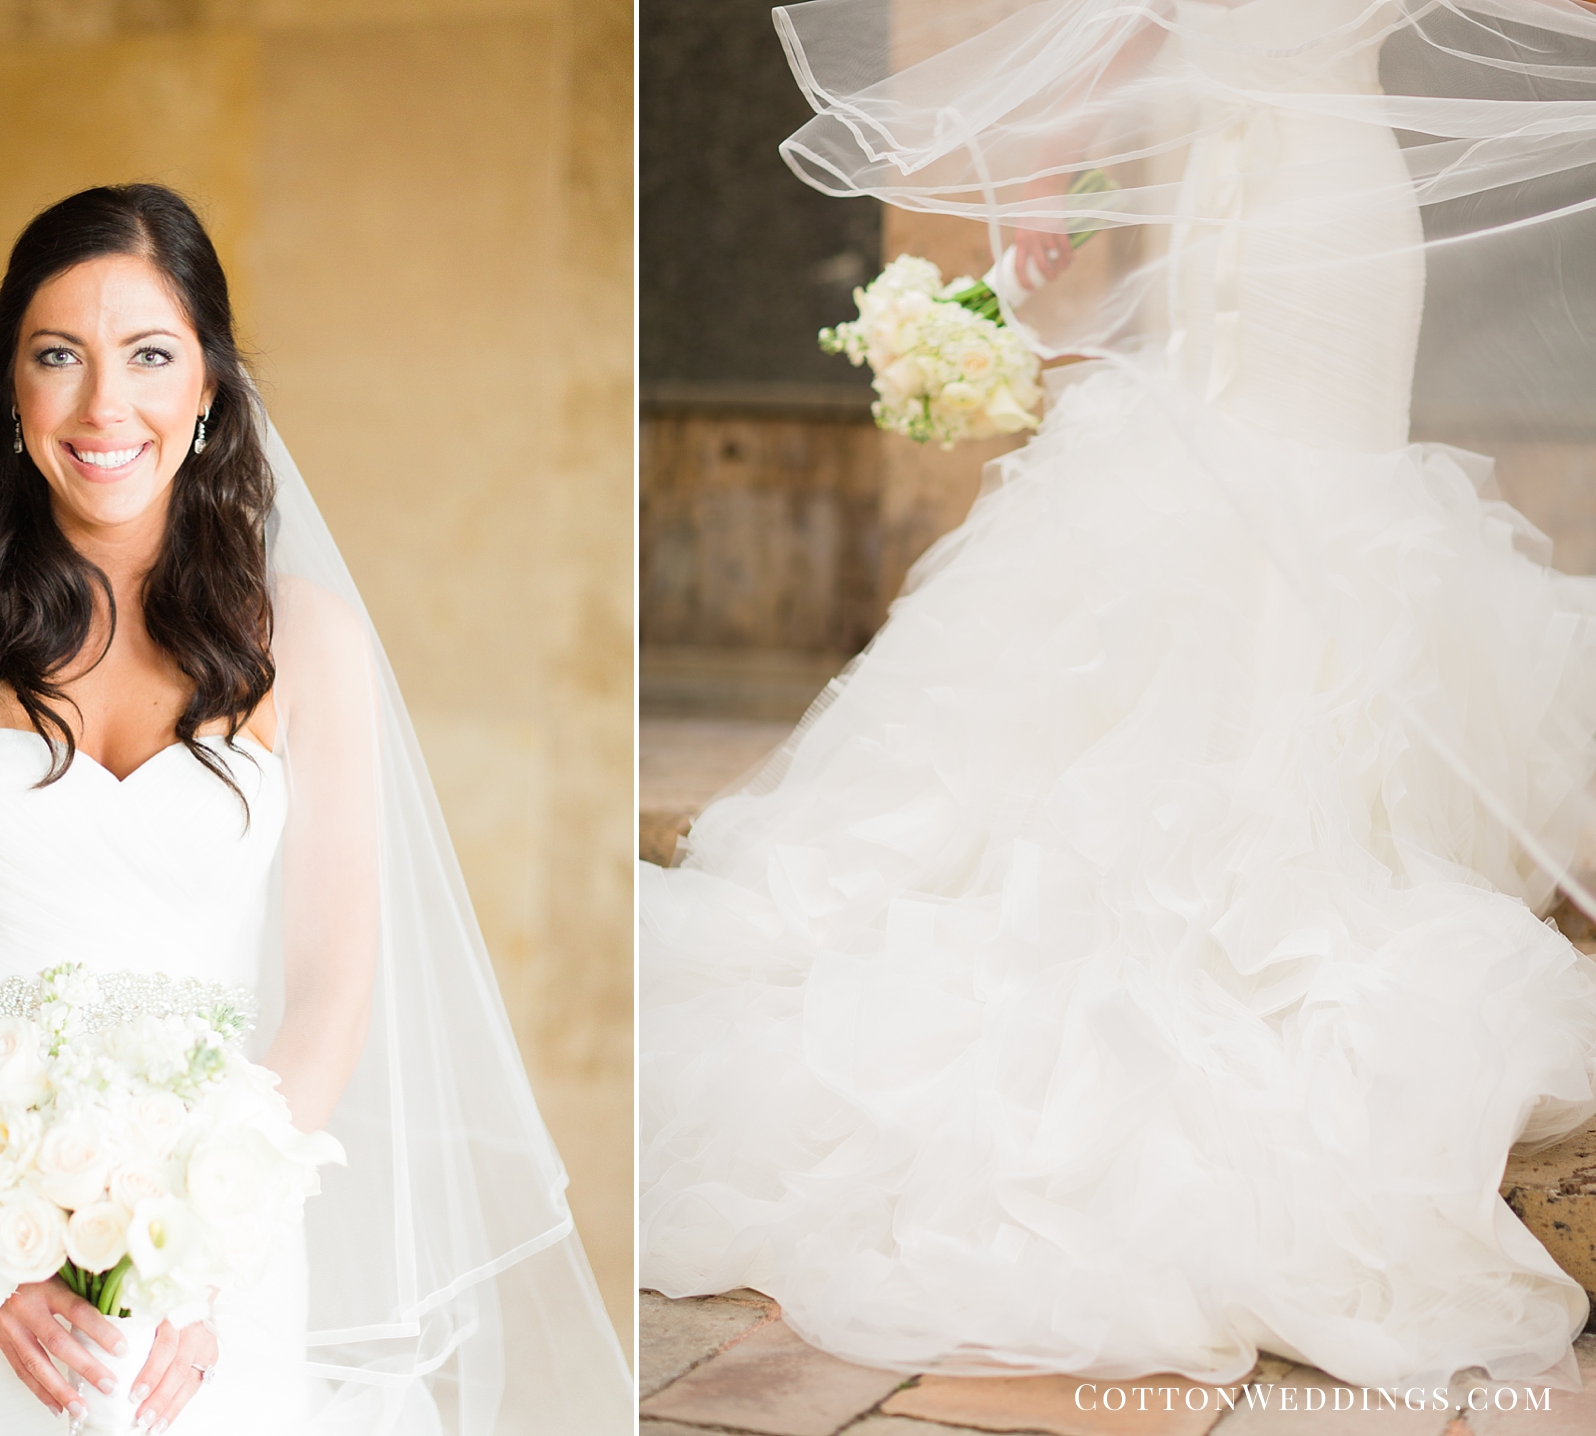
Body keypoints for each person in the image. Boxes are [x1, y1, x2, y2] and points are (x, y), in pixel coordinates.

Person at [642, 0, 1596, 1393]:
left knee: (1306, 502)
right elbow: (1111, 31)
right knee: (1260, 496)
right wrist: (1044, 189)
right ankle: (1240, 854)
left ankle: (1305, 826)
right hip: (1271, 184)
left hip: (1311, 188)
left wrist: (1044, 195)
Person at [0, 184, 631, 1434]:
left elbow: (338, 979)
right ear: (9, 393)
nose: (102, 405)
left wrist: (214, 1254)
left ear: (210, 394)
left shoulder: (309, 642)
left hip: (209, 1248)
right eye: (56, 356)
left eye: (149, 355)